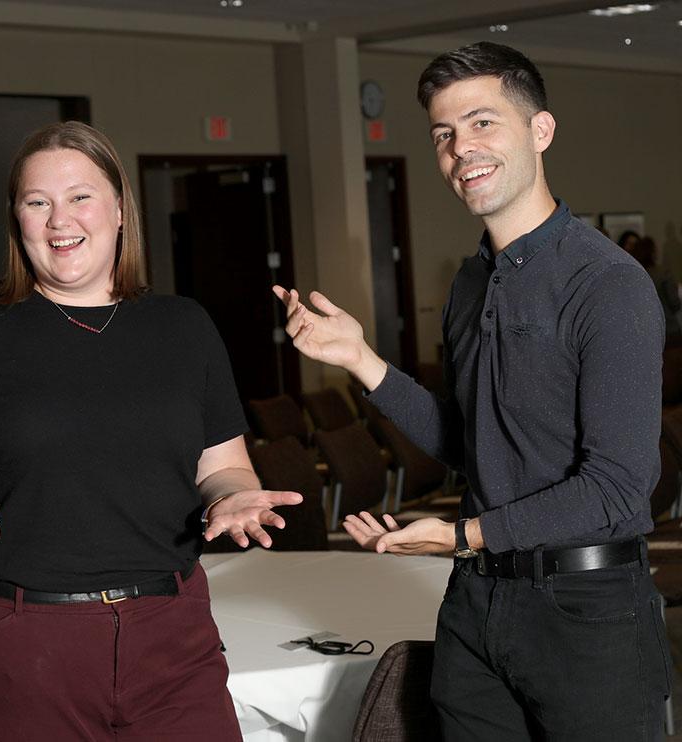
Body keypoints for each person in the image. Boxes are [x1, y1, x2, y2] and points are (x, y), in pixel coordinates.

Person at [278, 42, 669, 740]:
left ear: (540, 131)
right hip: (475, 606)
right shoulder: (469, 283)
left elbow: (618, 487)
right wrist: (361, 359)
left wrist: (460, 535)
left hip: (587, 613)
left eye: (483, 122)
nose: (462, 149)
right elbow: (471, 443)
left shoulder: (607, 284)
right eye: (444, 134)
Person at [0, 121, 300, 741]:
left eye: (79, 197)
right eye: (37, 202)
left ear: (120, 209)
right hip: (21, 638)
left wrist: (232, 496)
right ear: (17, 219)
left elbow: (222, 465)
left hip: (171, 629)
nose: (59, 220)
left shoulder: (184, 328)